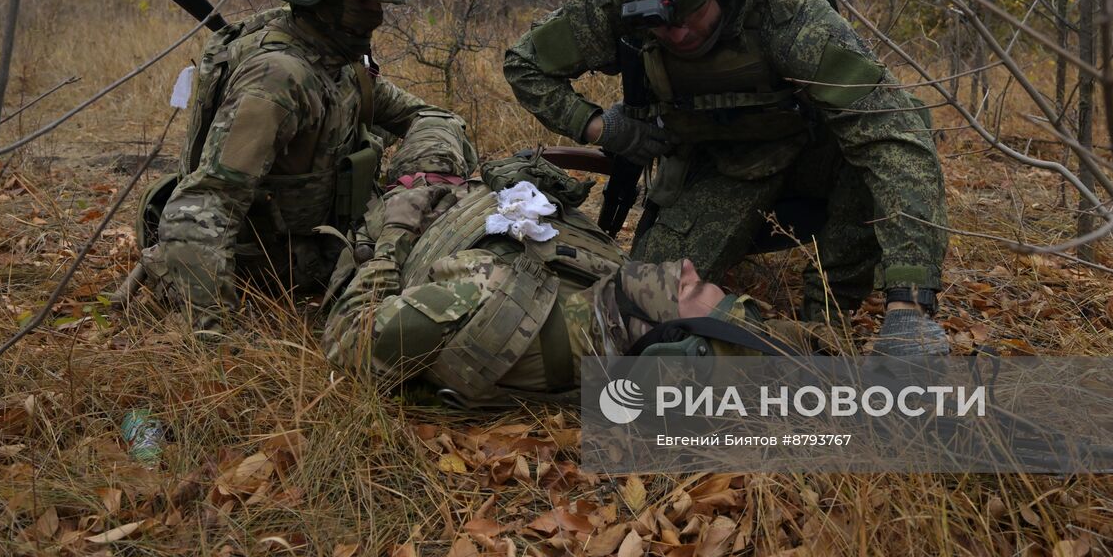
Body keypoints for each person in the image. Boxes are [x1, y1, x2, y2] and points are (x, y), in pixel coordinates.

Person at [503, 0, 949, 356]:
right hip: (720, 165)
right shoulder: (617, 0)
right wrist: (601, 127)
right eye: (656, 23)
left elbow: (893, 131)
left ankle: (827, 313)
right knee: (640, 305)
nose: (674, 33)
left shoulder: (786, 8)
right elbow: (526, 65)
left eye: (689, 13)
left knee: (866, 151)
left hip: (810, 158)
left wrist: (910, 303)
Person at [136, 0, 474, 332]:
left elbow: (431, 117)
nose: (378, 16)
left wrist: (419, 179)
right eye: (360, 0)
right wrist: (213, 335)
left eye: (376, 0)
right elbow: (201, 207)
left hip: (328, 241)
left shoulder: (335, 59)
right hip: (274, 267)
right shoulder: (278, 78)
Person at [320, 152, 807, 405]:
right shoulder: (606, 311)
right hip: (463, 196)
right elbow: (788, 346)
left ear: (667, 341)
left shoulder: (489, 305)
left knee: (432, 129)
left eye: (688, 290)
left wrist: (393, 234)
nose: (685, 269)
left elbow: (350, 344)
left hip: (414, 207)